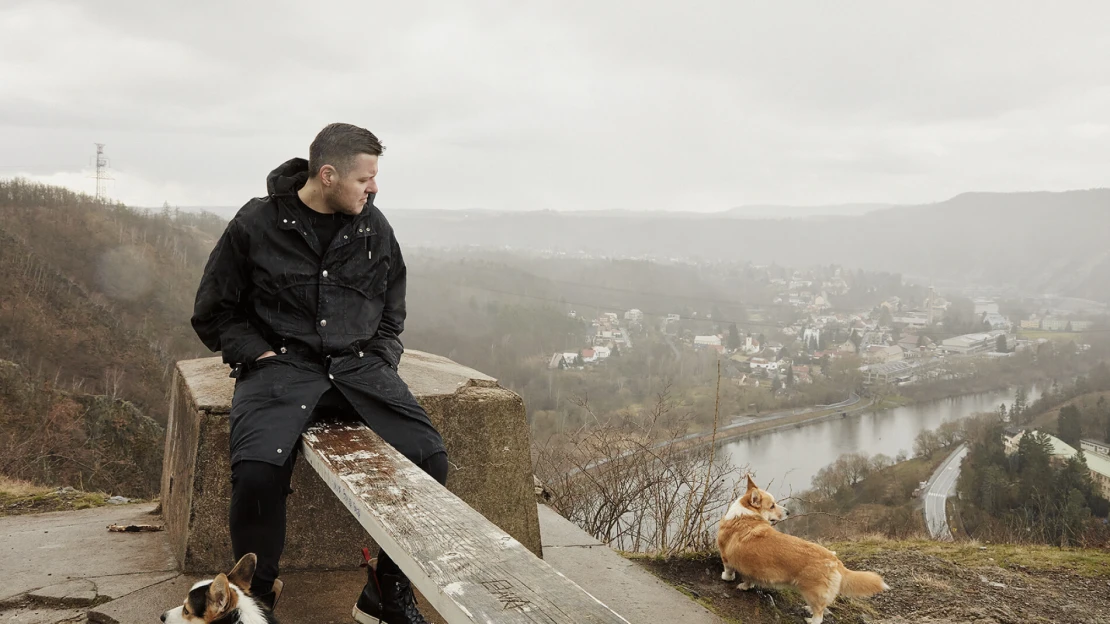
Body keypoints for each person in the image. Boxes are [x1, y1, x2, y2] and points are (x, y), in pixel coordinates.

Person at [191, 122, 446, 624]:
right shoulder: (256, 223)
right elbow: (214, 312)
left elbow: (392, 308)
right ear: (327, 175)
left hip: (358, 370)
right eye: (365, 178)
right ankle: (256, 600)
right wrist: (258, 355)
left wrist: (381, 354)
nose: (373, 188)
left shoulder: (375, 227)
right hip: (280, 370)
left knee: (428, 458)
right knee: (259, 472)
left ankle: (386, 588)